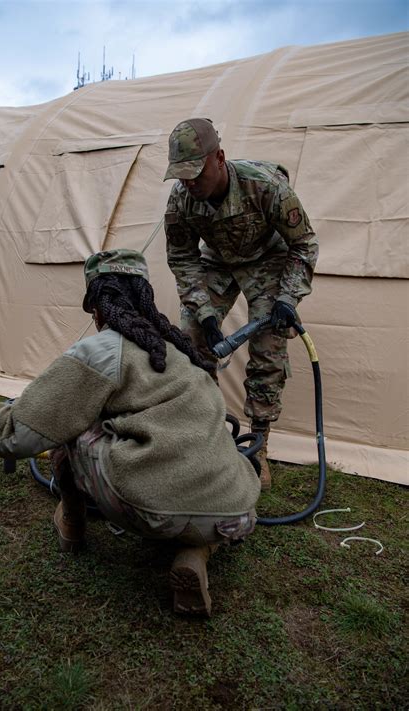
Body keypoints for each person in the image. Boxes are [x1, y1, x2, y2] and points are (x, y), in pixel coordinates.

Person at [0, 249, 260, 617]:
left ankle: (72, 521)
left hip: (151, 507)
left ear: (95, 306)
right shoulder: (179, 347)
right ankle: (196, 550)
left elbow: (14, 434)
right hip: (236, 509)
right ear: (145, 295)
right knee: (207, 460)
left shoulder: (100, 350)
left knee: (69, 425)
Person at [163, 118, 318, 489]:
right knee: (192, 338)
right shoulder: (182, 199)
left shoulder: (266, 187)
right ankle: (210, 432)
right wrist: (204, 312)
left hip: (269, 259)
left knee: (269, 348)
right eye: (181, 175)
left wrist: (286, 298)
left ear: (220, 158)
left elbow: (304, 244)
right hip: (217, 261)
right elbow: (182, 257)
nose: (189, 183)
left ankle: (258, 444)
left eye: (196, 174)